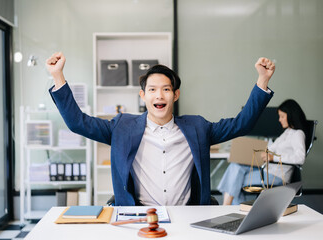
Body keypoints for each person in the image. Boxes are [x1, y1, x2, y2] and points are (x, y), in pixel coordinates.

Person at [46, 52, 275, 206]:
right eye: (153, 89)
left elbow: (241, 124)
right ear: (143, 96)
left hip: (187, 217)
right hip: (139, 218)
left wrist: (262, 81)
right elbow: (78, 122)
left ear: (175, 95)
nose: (159, 95)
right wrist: (58, 76)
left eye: (166, 89)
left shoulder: (197, 127)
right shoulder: (122, 127)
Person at [218, 99, 307, 205]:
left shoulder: (298, 134)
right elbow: (273, 148)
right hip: (268, 169)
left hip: (276, 176)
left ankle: (227, 208)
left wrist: (273, 157)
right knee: (235, 167)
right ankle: (232, 208)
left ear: (291, 115)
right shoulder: (287, 132)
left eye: (282, 116)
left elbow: (300, 158)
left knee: (234, 179)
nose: (279, 120)